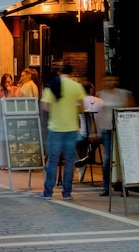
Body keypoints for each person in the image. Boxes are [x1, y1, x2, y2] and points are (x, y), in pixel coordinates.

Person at [37, 64, 86, 201]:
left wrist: (56, 107)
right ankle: (67, 193)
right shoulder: (77, 86)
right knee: (69, 161)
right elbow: (82, 108)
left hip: (55, 128)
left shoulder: (52, 85)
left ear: (59, 72)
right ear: (71, 73)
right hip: (71, 128)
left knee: (53, 160)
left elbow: (45, 106)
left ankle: (48, 192)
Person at [96, 74, 135, 196]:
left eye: (113, 79)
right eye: (107, 80)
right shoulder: (100, 95)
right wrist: (96, 130)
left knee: (124, 158)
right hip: (106, 128)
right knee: (107, 159)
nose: (111, 82)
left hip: (122, 129)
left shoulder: (124, 94)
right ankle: (105, 187)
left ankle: (126, 187)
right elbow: (97, 114)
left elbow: (131, 110)